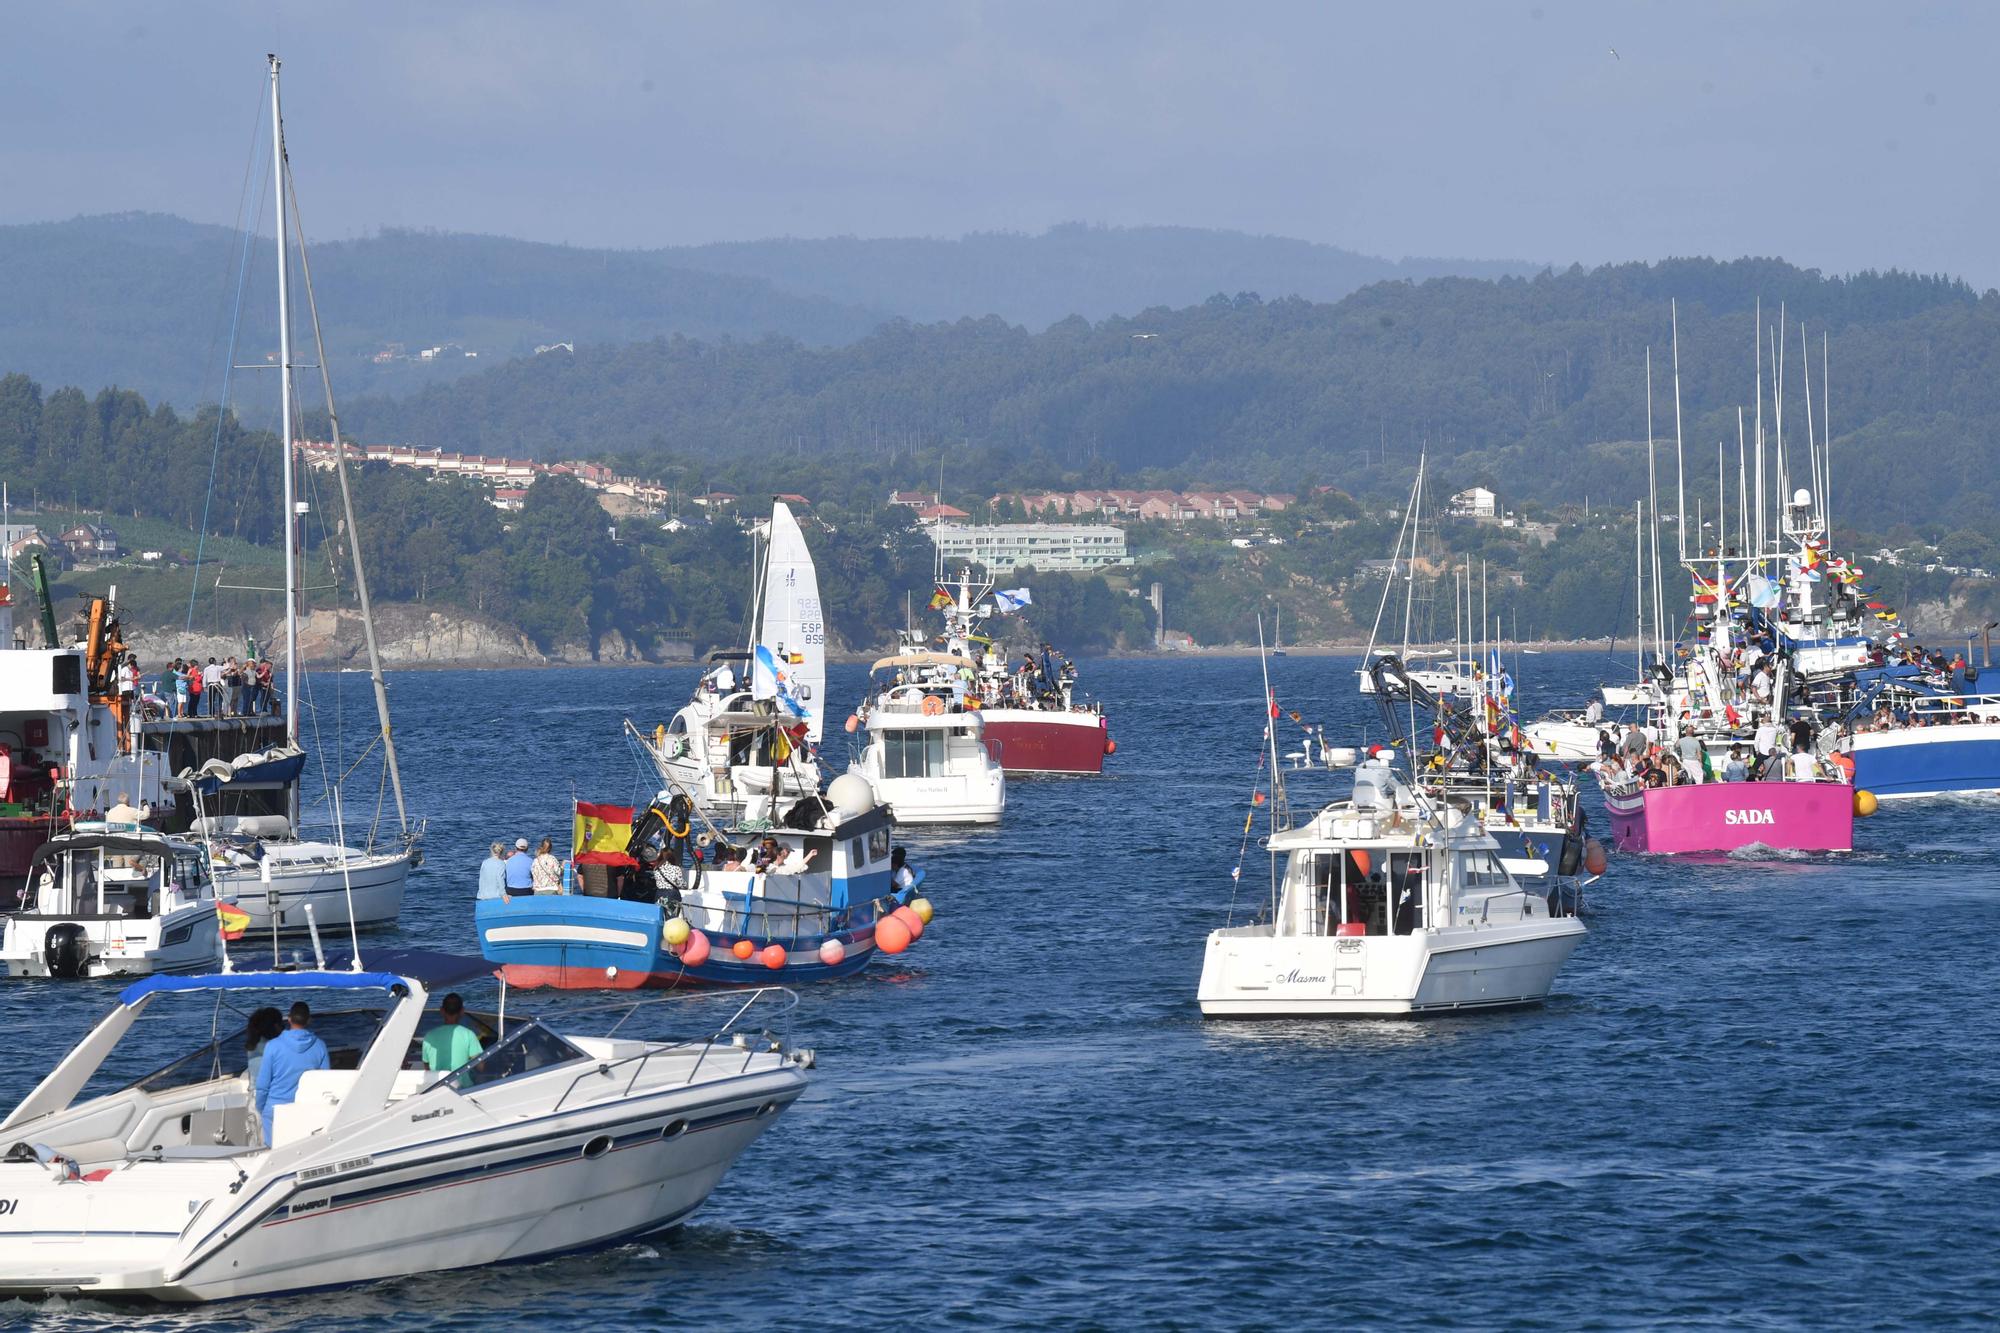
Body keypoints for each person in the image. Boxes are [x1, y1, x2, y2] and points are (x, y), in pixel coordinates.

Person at [255, 1001, 330, 1144]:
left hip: (275, 1109)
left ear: (289, 1019)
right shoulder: (320, 1046)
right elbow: (325, 1083)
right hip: (304, 1110)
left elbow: (263, 1085)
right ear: (309, 1020)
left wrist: (261, 1108)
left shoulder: (272, 1046)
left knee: (273, 1152)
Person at [421, 992, 484, 1080]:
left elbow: (427, 1068)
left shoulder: (429, 1036)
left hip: (436, 1087)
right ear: (462, 1011)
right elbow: (481, 1067)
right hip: (462, 1089)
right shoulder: (469, 1035)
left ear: (442, 1011)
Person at [243, 1006, 285, 1090]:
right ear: (276, 1026)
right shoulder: (276, 1047)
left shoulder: (253, 1045)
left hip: (254, 1094)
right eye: (281, 1024)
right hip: (270, 1096)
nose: (284, 1027)